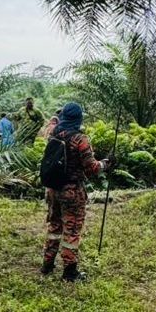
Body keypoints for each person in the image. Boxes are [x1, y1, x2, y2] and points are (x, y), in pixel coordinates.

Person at [42, 101, 108, 282]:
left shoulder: (53, 134)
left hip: (53, 189)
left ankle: (47, 264)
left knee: (54, 226)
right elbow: (92, 168)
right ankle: (69, 272)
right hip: (71, 191)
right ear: (78, 119)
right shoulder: (80, 139)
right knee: (71, 230)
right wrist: (105, 164)